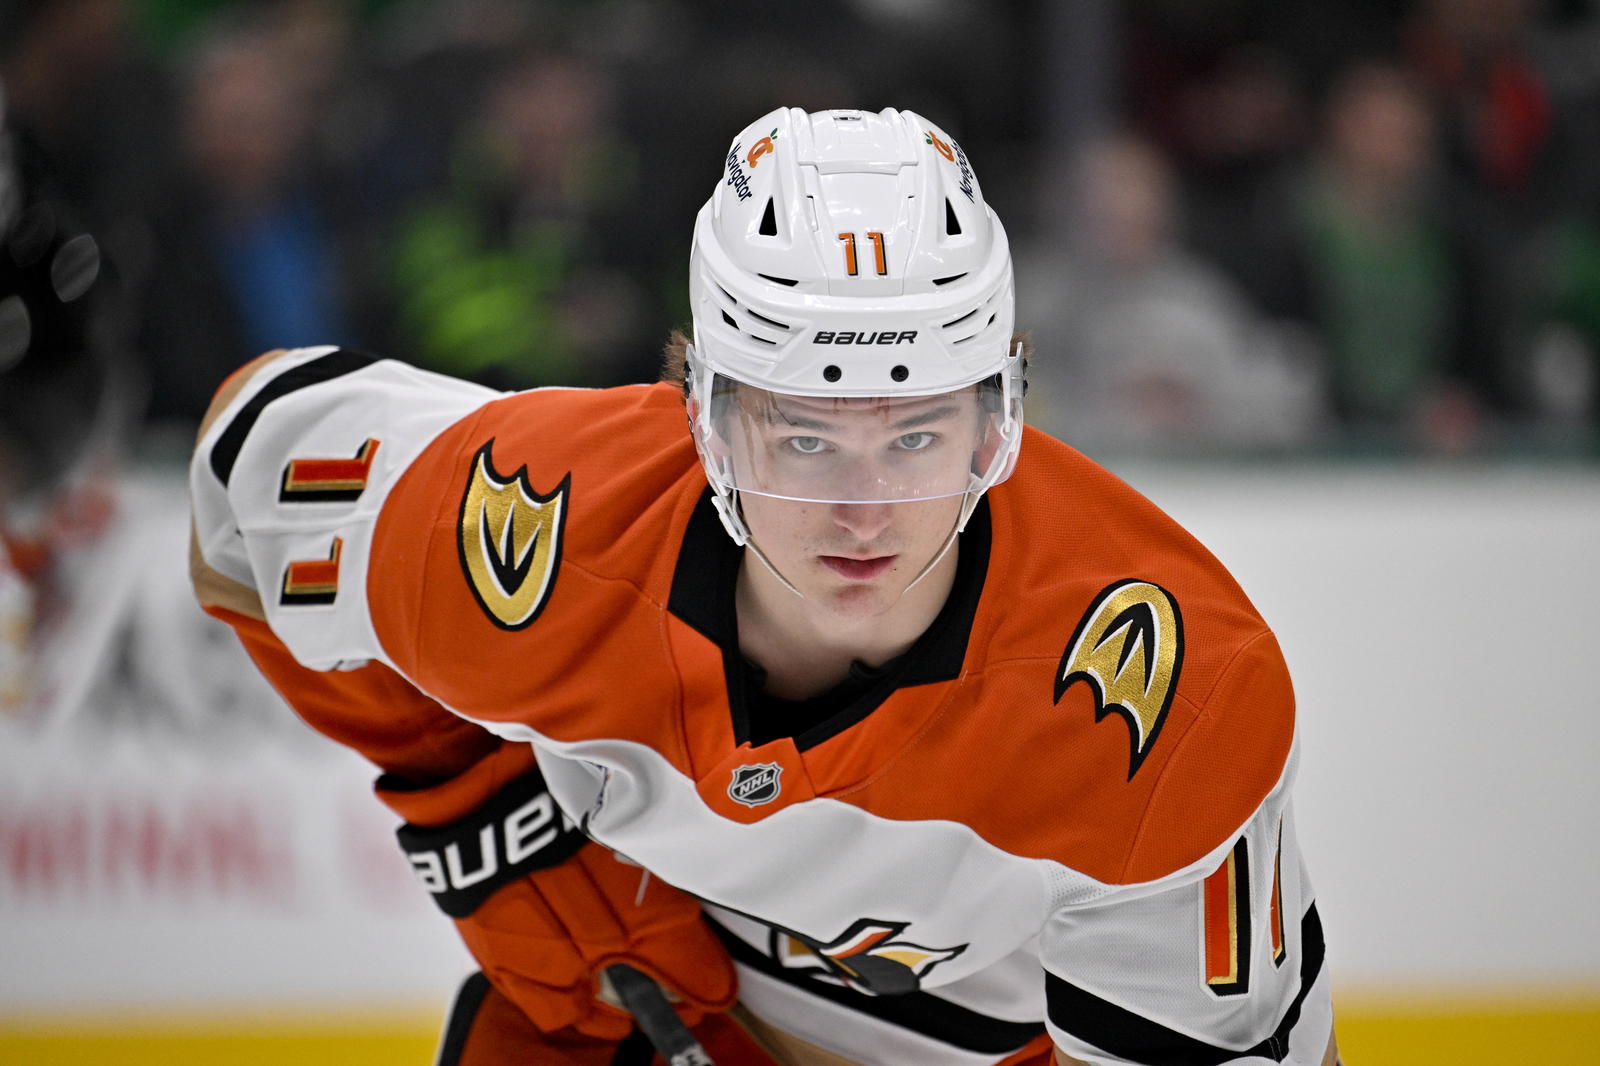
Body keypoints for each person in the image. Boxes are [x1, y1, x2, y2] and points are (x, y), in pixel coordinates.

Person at [189, 107, 1340, 1066]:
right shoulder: (539, 533)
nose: (864, 509)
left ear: (1000, 418)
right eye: (803, 436)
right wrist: (480, 809)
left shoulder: (1159, 699)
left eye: (917, 434)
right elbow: (252, 469)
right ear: (702, 414)